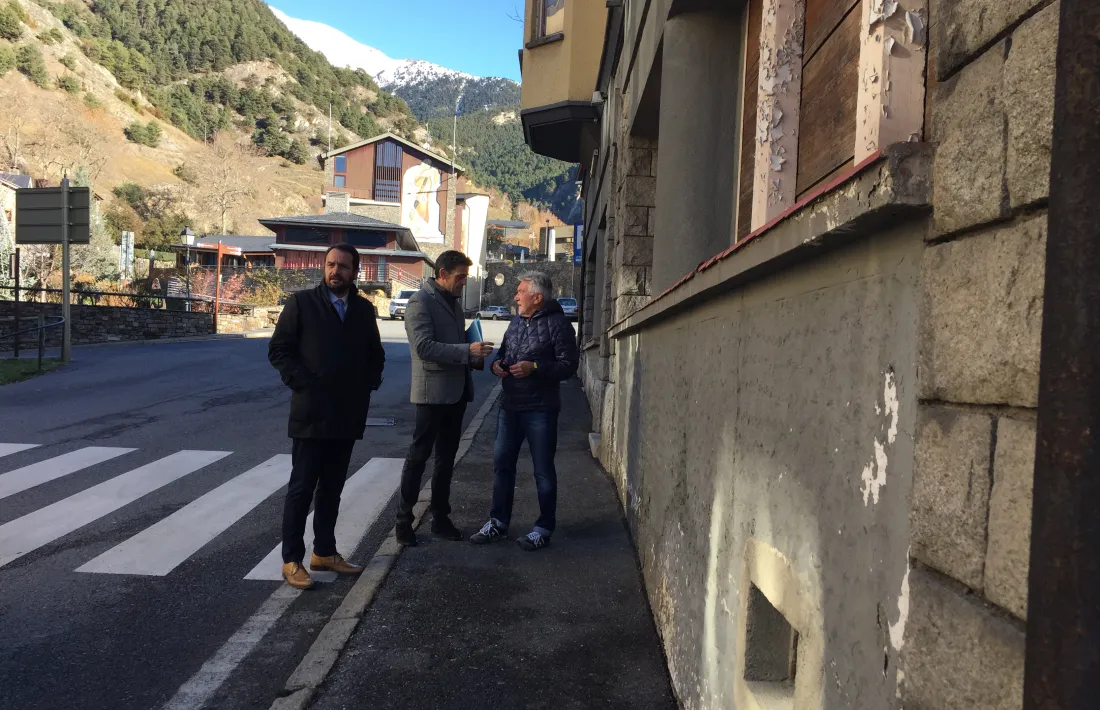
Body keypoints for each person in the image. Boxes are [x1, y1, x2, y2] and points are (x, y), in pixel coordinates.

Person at [268, 243, 385, 590]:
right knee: (302, 489)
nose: (336, 271)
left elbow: (375, 355)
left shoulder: (364, 311)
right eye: (331, 265)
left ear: (355, 272)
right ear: (324, 268)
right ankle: (292, 560)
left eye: (344, 266)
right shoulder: (301, 303)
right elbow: (279, 350)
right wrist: (305, 385)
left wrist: (367, 384)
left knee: (332, 488)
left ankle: (325, 552)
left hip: (347, 414)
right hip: (311, 413)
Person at [470, 271, 578, 551]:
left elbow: (569, 365)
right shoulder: (516, 322)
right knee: (502, 466)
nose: (515, 296)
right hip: (510, 407)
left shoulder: (560, 326)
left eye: (520, 292)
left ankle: (543, 528)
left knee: (542, 471)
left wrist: (536, 368)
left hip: (540, 410)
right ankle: (498, 522)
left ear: (537, 297)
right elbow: (505, 352)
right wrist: (498, 365)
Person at [396, 250, 494, 546]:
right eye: (460, 276)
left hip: (456, 393)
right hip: (432, 395)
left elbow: (451, 341)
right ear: (442, 274)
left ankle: (440, 517)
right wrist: (467, 351)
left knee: (446, 459)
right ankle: (403, 520)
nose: (464, 282)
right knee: (418, 457)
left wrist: (470, 349)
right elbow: (424, 347)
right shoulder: (419, 302)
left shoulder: (452, 301)